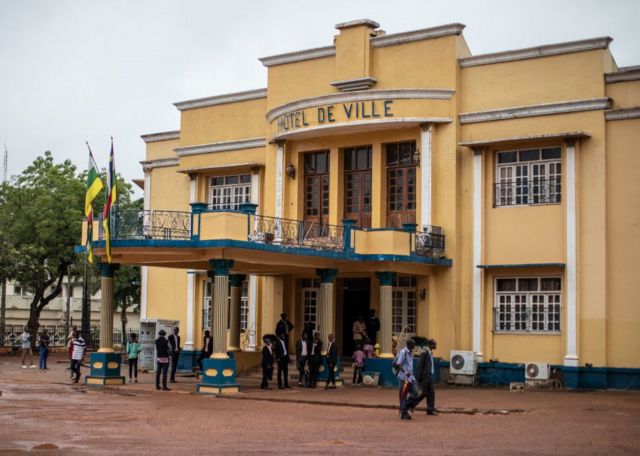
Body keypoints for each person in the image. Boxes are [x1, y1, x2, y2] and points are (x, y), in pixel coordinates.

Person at [408, 339, 438, 416]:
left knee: (431, 393)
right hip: (424, 377)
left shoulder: (430, 353)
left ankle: (430, 410)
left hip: (429, 376)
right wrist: (418, 377)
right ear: (430, 345)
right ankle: (409, 405)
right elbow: (419, 365)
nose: (436, 346)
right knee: (423, 393)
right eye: (435, 344)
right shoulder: (425, 353)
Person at [394, 338, 417, 420]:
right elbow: (398, 364)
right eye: (413, 344)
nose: (414, 346)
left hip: (410, 377)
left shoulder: (410, 352)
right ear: (409, 345)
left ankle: (404, 408)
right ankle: (404, 413)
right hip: (404, 378)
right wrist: (405, 372)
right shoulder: (403, 352)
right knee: (403, 395)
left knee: (415, 393)